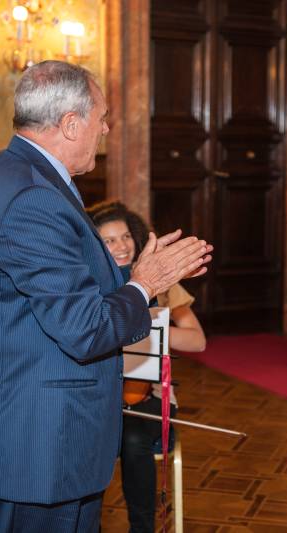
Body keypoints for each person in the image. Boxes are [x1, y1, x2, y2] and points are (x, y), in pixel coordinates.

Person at [0, 60, 212, 532]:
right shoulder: (31, 196)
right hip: (42, 438)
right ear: (71, 124)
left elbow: (66, 295)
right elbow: (83, 328)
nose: (107, 128)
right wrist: (144, 284)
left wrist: (136, 277)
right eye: (102, 116)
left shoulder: (24, 178)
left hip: (44, 430)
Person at [86, 200, 206, 532]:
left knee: (134, 438)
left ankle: (142, 527)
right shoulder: (88, 288)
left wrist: (151, 322)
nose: (120, 246)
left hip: (149, 396)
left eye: (125, 236)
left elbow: (198, 341)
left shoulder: (163, 282)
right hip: (100, 397)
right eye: (108, 241)